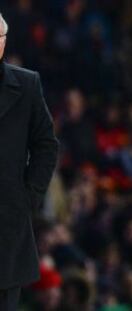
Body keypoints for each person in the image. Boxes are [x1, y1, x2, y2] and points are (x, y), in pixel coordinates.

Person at [0, 13, 58, 310]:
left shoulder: (26, 85)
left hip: (7, 229)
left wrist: (29, 196)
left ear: (4, 42)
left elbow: (46, 146)